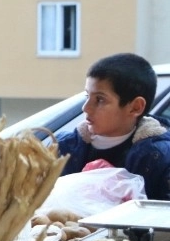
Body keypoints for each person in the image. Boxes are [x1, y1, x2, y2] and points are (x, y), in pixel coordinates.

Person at [55, 53, 170, 201]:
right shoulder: (63, 148)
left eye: (100, 100)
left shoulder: (159, 158)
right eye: (87, 96)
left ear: (135, 107)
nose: (86, 108)